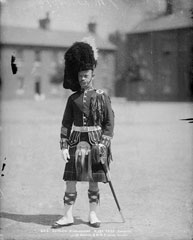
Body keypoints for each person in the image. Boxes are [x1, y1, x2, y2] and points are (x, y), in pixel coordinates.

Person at [52, 38, 114, 228]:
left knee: (93, 180)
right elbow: (65, 124)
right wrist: (63, 145)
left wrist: (104, 144)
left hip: (96, 143)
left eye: (86, 75)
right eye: (80, 76)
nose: (82, 79)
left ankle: (93, 214)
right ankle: (68, 215)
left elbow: (109, 123)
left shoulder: (102, 97)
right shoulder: (72, 99)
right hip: (76, 142)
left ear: (92, 74)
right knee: (70, 180)